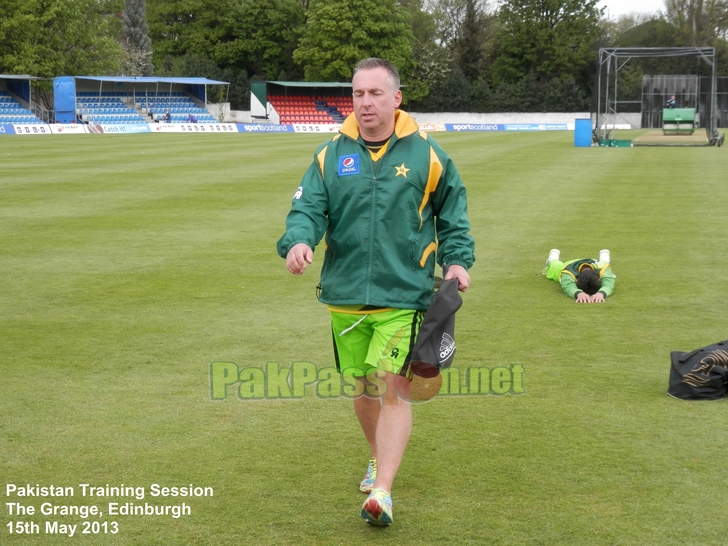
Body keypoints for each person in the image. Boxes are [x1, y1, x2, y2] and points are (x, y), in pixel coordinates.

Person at [276, 57, 475, 526]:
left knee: (392, 388)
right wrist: (299, 240)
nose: (365, 103)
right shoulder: (330, 155)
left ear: (396, 98)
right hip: (344, 296)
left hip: (404, 293)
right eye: (358, 94)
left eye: (375, 94)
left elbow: (453, 215)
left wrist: (458, 259)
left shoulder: (428, 155)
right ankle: (377, 457)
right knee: (363, 388)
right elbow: (306, 210)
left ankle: (382, 491)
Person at [542, 249, 615, 303]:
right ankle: (553, 258)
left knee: (604, 263)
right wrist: (578, 293)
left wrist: (601, 293)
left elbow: (609, 285)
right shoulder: (567, 273)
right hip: (567, 265)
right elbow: (568, 286)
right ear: (576, 280)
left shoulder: (603, 268)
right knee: (554, 266)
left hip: (595, 262)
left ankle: (605, 256)